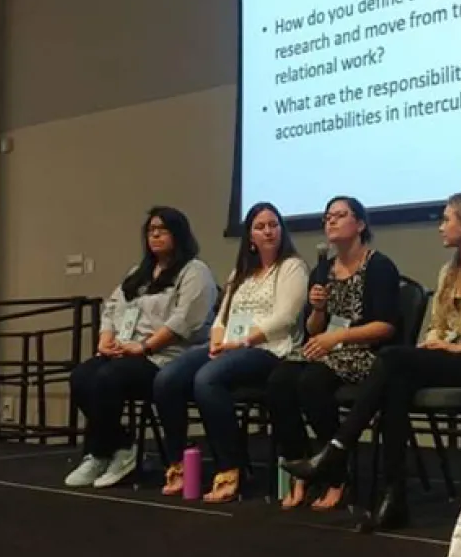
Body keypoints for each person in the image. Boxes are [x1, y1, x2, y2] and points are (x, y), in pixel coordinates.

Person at [284, 192, 461, 529]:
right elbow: (438, 325)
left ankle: (338, 448)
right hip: (446, 358)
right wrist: (434, 342)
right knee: (395, 381)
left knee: (393, 358)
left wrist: (459, 349)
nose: (441, 227)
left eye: (447, 220)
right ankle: (392, 497)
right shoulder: (448, 272)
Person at [152, 202, 308, 503]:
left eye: (273, 225)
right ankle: (179, 463)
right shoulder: (241, 273)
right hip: (231, 346)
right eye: (260, 226)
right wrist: (217, 341)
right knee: (167, 378)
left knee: (207, 380)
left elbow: (285, 318)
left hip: (270, 350)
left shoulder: (292, 267)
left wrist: (242, 342)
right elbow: (221, 316)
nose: (268, 231)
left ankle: (230, 467)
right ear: (250, 236)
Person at [65, 207, 216, 489]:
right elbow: (112, 308)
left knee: (108, 378)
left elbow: (184, 320)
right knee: (81, 376)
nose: (155, 235)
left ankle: (101, 452)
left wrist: (144, 347)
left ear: (179, 234)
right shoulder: (139, 273)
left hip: (166, 358)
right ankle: (119, 448)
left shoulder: (195, 271)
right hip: (126, 351)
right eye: (150, 230)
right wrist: (105, 339)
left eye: (162, 230)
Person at [266, 196, 400, 510]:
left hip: (364, 352)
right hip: (327, 349)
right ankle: (300, 468)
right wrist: (318, 308)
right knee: (279, 380)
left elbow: (386, 327)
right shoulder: (323, 269)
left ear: (361, 224)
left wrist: (337, 336)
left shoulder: (379, 266)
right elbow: (314, 330)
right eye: (327, 217)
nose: (331, 222)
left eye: (340, 216)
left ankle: (337, 473)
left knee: (311, 382)